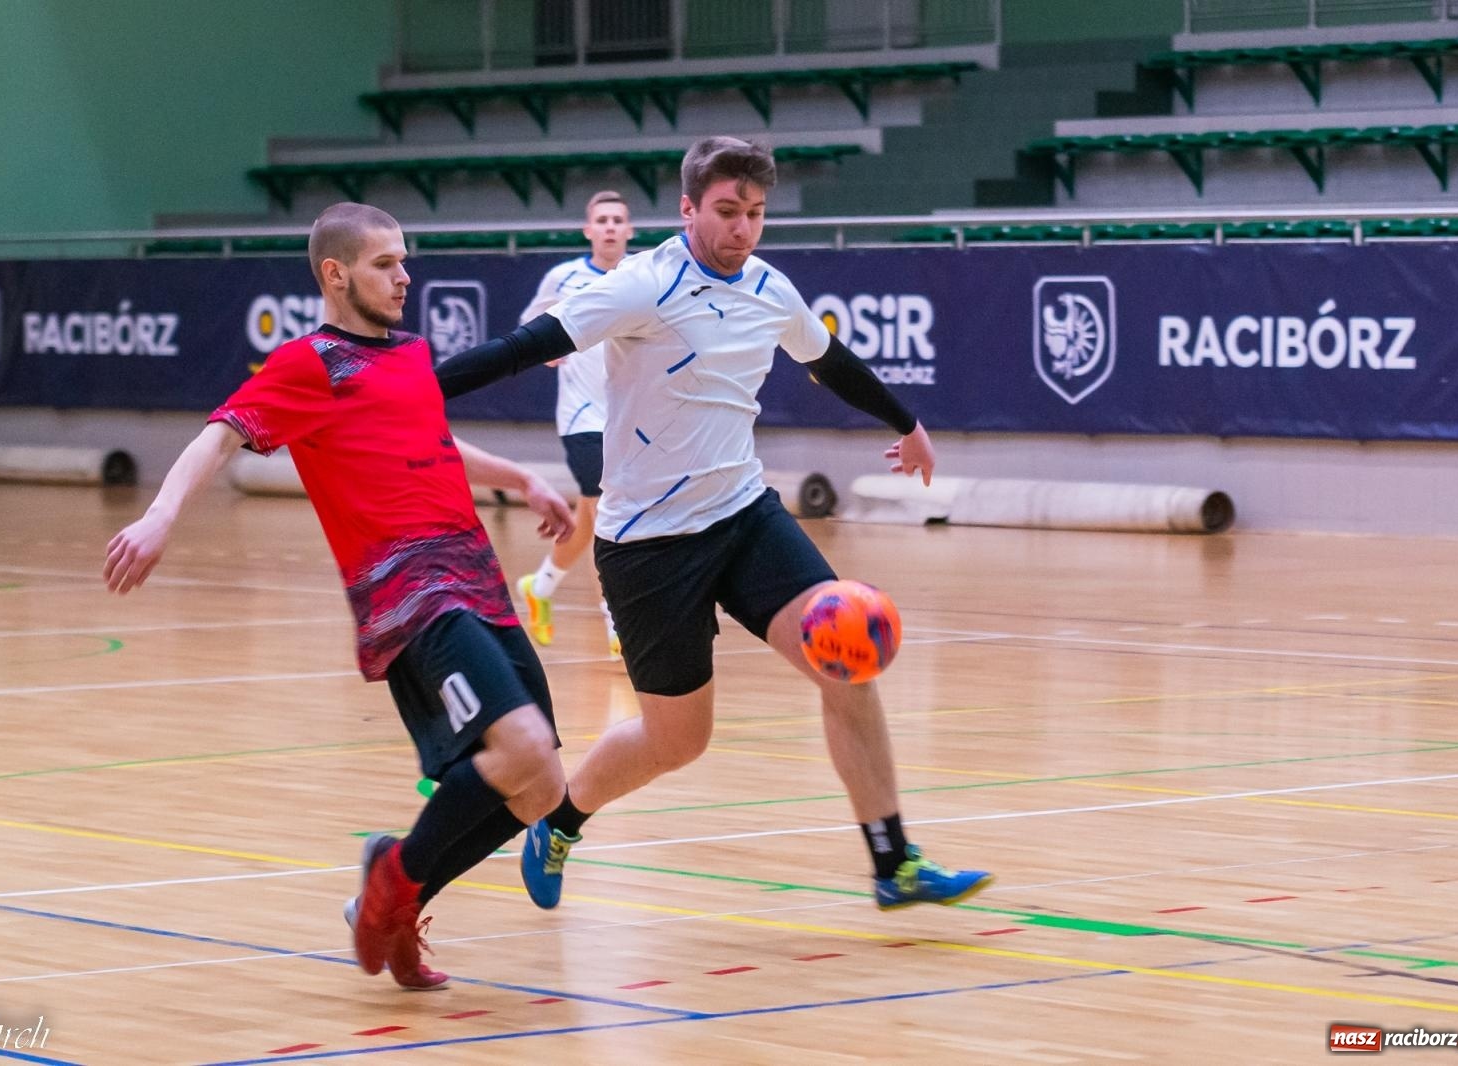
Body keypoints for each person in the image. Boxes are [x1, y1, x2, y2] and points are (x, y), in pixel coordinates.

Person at [433, 137, 993, 912]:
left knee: (847, 656)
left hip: (743, 514)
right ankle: (561, 821)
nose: (743, 229)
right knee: (678, 740)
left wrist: (909, 420)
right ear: (689, 208)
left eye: (756, 214)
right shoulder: (643, 285)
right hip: (648, 546)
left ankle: (893, 862)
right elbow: (526, 347)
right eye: (727, 211)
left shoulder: (768, 287)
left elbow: (827, 360)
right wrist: (414, 393)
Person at [102, 202, 574, 991]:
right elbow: (218, 434)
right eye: (386, 263)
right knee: (520, 747)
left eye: (404, 261)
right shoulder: (311, 363)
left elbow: (432, 440)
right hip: (410, 597)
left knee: (544, 788)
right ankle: (392, 871)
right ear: (336, 273)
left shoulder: (411, 354)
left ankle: (391, 904)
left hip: (479, 583)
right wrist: (158, 517)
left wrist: (521, 476)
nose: (404, 277)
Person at [513, 190, 632, 658]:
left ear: (628, 230)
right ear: (588, 230)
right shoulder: (563, 278)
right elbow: (530, 327)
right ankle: (616, 622)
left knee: (587, 520)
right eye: (600, 219)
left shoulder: (643, 277)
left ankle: (540, 587)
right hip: (582, 417)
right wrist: (546, 349)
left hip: (628, 418)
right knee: (604, 513)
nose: (608, 227)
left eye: (616, 220)